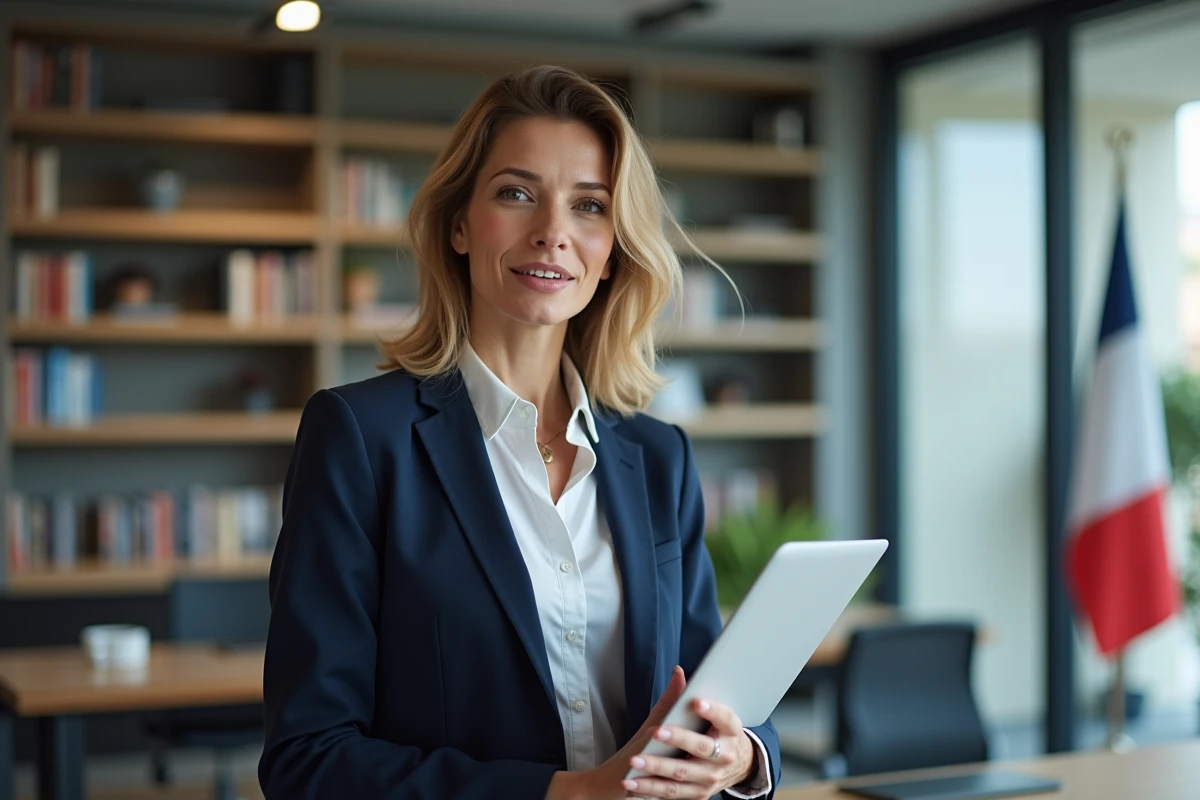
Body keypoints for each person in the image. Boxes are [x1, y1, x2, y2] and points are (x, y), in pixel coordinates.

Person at [258, 64, 781, 800]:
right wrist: (568, 794)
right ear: (460, 224)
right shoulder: (360, 438)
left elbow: (713, 692)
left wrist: (744, 756)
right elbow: (308, 759)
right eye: (516, 194)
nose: (552, 234)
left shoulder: (659, 457)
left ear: (613, 250)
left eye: (589, 207)